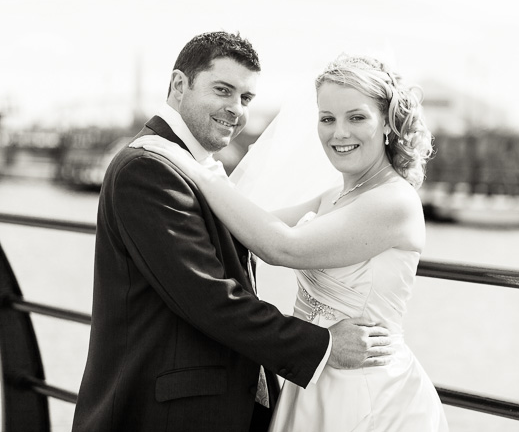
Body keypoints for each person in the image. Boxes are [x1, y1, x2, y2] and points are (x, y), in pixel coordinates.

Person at [72, 32, 394, 432]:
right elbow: (209, 296)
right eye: (223, 90)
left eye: (246, 98)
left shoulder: (194, 165)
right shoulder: (148, 168)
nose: (235, 110)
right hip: (167, 413)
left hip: (213, 404)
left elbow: (264, 237)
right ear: (178, 85)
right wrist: (323, 345)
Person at [131, 54, 450, 431]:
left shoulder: (393, 202)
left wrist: (191, 167)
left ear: (386, 124)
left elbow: (283, 247)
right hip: (315, 375)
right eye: (327, 118)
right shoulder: (333, 196)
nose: (339, 133)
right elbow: (245, 227)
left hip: (367, 388)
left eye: (357, 117)